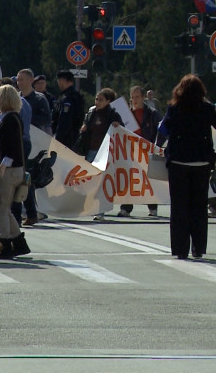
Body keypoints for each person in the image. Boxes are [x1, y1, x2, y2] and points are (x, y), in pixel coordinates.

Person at [158, 74, 216, 260]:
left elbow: (163, 130)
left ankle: (180, 249)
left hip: (178, 162)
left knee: (179, 207)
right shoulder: (207, 108)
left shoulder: (174, 108)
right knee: (199, 206)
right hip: (201, 162)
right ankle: (198, 248)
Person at [0, 85, 31, 259]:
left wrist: (2, 167)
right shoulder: (13, 117)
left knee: (0, 208)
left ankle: (5, 244)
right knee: (4, 207)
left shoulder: (8, 120)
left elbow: (10, 146)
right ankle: (18, 242)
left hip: (9, 168)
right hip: (15, 168)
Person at [77, 88, 123, 221]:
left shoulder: (113, 114)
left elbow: (121, 129)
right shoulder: (91, 113)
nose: (97, 102)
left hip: (105, 152)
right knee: (89, 180)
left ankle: (100, 210)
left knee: (101, 182)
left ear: (108, 101)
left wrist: (117, 125)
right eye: (96, 99)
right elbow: (87, 127)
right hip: (90, 151)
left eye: (101, 100)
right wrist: (84, 128)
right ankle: (89, 206)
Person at [118, 86, 162, 218]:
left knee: (150, 180)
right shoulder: (125, 115)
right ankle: (126, 208)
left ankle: (152, 208)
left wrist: (157, 145)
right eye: (132, 97)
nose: (134, 100)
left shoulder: (152, 113)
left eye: (137, 97)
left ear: (143, 98)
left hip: (147, 151)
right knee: (128, 179)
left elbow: (162, 129)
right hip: (130, 151)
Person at [15, 69, 51, 226]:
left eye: (22, 79)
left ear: (31, 80)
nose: (19, 82)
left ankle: (31, 210)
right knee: (23, 176)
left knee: (28, 176)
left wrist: (26, 121)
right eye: (18, 80)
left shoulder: (39, 99)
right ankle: (29, 211)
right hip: (19, 142)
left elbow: (46, 118)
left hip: (34, 143)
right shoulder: (16, 98)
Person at [52, 70, 85, 150]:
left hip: (67, 138)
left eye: (59, 80)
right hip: (72, 135)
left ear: (64, 80)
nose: (58, 83)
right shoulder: (73, 95)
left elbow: (64, 120)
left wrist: (58, 138)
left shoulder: (69, 97)